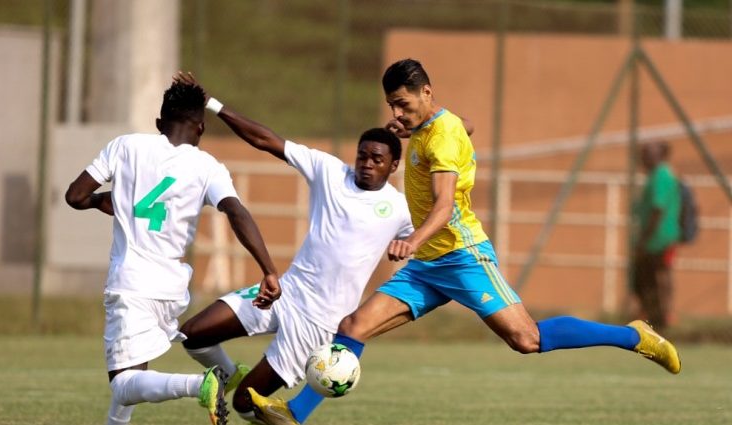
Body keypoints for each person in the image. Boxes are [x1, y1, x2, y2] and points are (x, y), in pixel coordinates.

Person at [249, 58, 682, 425]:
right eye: (392, 105)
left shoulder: (440, 138)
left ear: (426, 92)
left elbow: (443, 206)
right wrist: (415, 127)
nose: (397, 113)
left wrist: (412, 240)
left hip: (462, 256)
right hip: (428, 266)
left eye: (403, 104)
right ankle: (295, 414)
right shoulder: (438, 124)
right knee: (352, 327)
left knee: (526, 339)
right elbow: (465, 124)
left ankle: (634, 336)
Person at [170, 72, 414, 424]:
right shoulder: (330, 171)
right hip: (284, 293)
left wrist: (411, 244)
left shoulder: (400, 208)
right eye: (362, 156)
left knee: (244, 405)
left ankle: (258, 403)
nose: (367, 164)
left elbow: (435, 235)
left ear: (393, 166)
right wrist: (213, 104)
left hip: (319, 322)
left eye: (376, 159)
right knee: (192, 335)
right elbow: (266, 139)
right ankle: (230, 374)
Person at [64, 77, 281, 425]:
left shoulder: (126, 146)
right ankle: (225, 374)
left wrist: (110, 202)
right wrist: (268, 269)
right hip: (171, 287)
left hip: (131, 283)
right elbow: (237, 212)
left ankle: (201, 384)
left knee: (123, 383)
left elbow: (75, 196)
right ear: (201, 128)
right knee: (132, 376)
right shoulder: (208, 166)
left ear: (159, 123)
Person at [632, 141, 681, 329]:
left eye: (647, 154)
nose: (643, 158)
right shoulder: (656, 176)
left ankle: (663, 316)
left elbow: (657, 209)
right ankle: (652, 315)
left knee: (659, 276)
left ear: (659, 156)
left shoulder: (661, 175)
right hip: (655, 239)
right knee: (647, 277)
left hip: (660, 239)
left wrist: (645, 238)